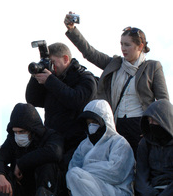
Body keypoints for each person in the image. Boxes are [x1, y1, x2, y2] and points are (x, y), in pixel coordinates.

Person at [64, 13, 169, 155]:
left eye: (127, 45)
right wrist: (72, 30)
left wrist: (155, 127)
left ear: (140, 46)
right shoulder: (115, 63)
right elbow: (90, 53)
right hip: (116, 124)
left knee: (141, 164)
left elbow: (163, 101)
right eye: (121, 44)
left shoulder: (152, 67)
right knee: (119, 163)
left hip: (141, 124)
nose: (123, 48)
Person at [26, 42, 97, 168]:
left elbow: (76, 100)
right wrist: (35, 77)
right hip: (53, 141)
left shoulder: (85, 78)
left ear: (65, 59)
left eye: (52, 62)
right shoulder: (52, 79)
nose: (51, 67)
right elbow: (33, 100)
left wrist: (51, 81)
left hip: (77, 143)